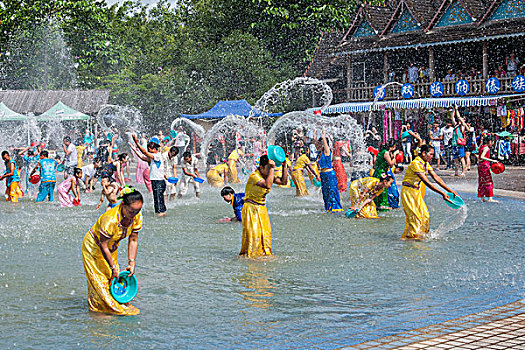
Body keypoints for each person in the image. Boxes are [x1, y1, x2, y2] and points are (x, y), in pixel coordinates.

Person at [81, 186, 143, 315]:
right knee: (99, 281)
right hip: (93, 248)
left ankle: (107, 306)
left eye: (138, 210)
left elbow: (133, 239)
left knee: (112, 280)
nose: (135, 215)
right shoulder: (110, 219)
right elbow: (103, 246)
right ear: (123, 205)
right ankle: (98, 315)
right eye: (132, 211)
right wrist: (113, 267)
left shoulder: (136, 216)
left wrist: (132, 263)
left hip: (111, 249)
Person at [400, 145, 458, 240]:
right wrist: (442, 193)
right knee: (415, 217)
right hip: (408, 192)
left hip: (416, 192)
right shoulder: (416, 163)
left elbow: (436, 178)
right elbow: (427, 182)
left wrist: (450, 190)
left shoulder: (425, 164)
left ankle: (420, 236)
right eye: (430, 154)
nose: (432, 156)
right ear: (424, 153)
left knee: (426, 216)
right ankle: (411, 240)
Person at [240, 155, 288, 258]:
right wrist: (272, 168)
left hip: (262, 209)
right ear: (261, 167)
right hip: (251, 208)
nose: (270, 170)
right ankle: (252, 256)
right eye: (268, 168)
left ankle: (263, 254)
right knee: (254, 234)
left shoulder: (267, 176)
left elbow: (283, 182)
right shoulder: (254, 176)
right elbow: (268, 185)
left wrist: (284, 167)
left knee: (265, 234)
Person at [132, 134, 167, 216]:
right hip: (157, 181)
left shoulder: (157, 155)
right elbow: (142, 157)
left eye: (149, 150)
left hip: (158, 182)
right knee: (158, 199)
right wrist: (134, 149)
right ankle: (162, 215)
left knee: (158, 200)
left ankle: (160, 215)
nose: (148, 151)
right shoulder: (153, 157)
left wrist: (137, 143)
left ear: (155, 149)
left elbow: (144, 152)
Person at [317, 131, 343, 212]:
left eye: (321, 143)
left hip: (329, 174)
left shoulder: (327, 151)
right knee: (325, 193)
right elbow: (315, 142)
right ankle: (328, 208)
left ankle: (335, 208)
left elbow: (325, 143)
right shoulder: (320, 153)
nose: (319, 144)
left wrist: (324, 135)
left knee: (332, 191)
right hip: (323, 175)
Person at [372, 140, 398, 211]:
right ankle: (383, 207)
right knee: (383, 188)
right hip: (382, 173)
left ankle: (376, 206)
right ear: (393, 146)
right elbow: (391, 164)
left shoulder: (383, 151)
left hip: (378, 172)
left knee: (377, 189)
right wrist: (395, 156)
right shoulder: (386, 153)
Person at [477, 135, 499, 202]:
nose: (492, 143)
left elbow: (479, 157)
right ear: (489, 141)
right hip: (485, 166)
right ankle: (490, 198)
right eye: (492, 142)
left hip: (480, 166)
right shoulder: (486, 148)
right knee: (488, 181)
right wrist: (492, 160)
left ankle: (482, 197)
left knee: (482, 181)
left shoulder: (481, 147)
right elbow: (482, 157)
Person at [451, 106, 467, 177]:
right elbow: (452, 118)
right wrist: (454, 110)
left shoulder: (463, 126)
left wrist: (457, 109)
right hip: (454, 144)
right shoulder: (456, 126)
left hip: (460, 144)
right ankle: (456, 172)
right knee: (455, 159)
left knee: (462, 158)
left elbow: (459, 117)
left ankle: (463, 172)